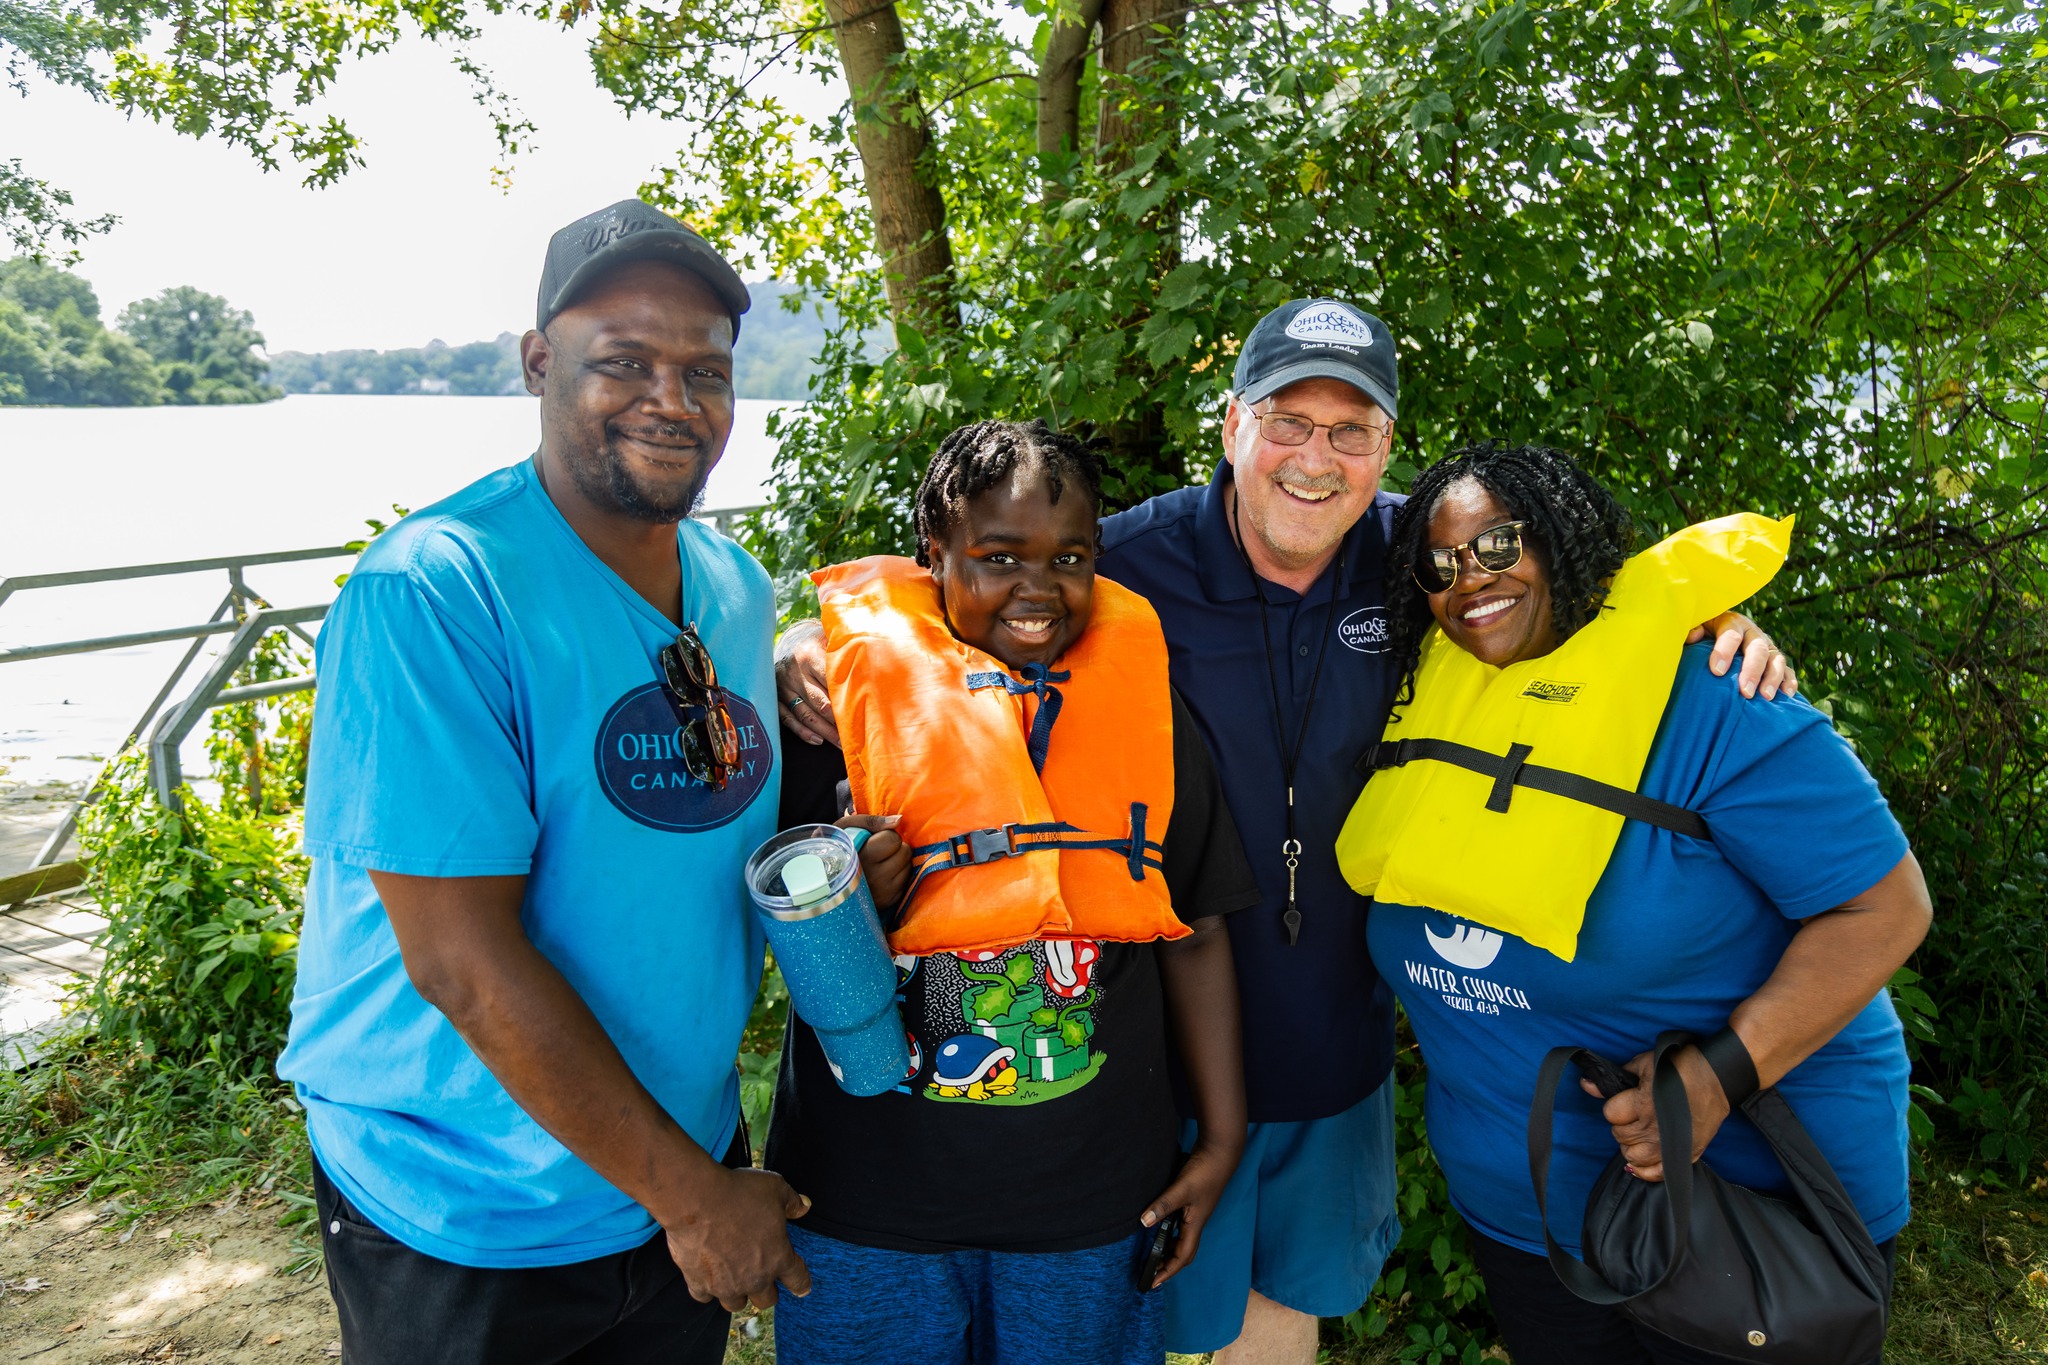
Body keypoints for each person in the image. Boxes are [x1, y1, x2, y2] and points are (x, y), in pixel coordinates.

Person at [777, 300, 1797, 1360]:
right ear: (1230, 426)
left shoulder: (1425, 562)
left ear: (1386, 446)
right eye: (1287, 421)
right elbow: (958, 595)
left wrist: (1695, 623)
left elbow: (1565, 599)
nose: (1316, 457)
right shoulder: (1121, 566)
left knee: (1282, 1324)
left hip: (1332, 1050)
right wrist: (809, 640)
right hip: (1151, 1068)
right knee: (1145, 1319)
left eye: (1350, 429)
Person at [278, 200, 832, 1363]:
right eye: (622, 363)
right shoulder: (436, 592)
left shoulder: (732, 587)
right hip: (474, 1204)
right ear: (538, 364)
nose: (671, 401)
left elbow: (699, 832)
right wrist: (693, 1199)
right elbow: (460, 961)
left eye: (704, 370)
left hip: (671, 1159)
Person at [1343, 442, 1931, 1364]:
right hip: (1526, 1214)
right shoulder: (1419, 696)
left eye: (1500, 544)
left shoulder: (1714, 691)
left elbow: (1885, 910)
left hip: (1740, 1208)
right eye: (1442, 563)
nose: (1472, 579)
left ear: (1565, 538)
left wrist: (1713, 1080)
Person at [767, 419, 1258, 1364]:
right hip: (866, 1206)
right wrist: (847, 899)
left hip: (1088, 1209)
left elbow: (1195, 929)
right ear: (933, 556)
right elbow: (755, 929)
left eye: (1069, 557)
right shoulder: (829, 715)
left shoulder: (1150, 716)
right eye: (997, 556)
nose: (1037, 588)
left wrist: (1223, 1139)